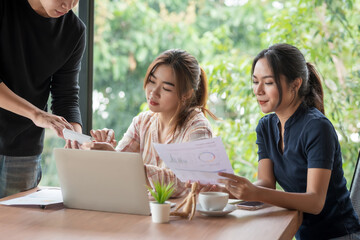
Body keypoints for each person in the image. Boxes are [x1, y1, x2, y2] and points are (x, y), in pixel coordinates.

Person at [218, 43, 360, 239]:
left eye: (268, 83)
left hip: (339, 235)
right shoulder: (266, 127)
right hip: (303, 234)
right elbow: (266, 183)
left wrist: (253, 193)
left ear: (295, 84)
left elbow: (315, 202)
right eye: (255, 81)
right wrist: (225, 190)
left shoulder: (317, 127)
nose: (258, 90)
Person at [84, 49, 217, 197]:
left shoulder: (197, 127)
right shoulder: (142, 122)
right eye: (152, 81)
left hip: (181, 218)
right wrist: (105, 153)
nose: (154, 92)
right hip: (144, 214)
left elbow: (187, 183)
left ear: (187, 94)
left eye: (166, 88)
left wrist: (129, 167)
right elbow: (118, 170)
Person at [0, 0, 86, 198]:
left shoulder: (74, 31)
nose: (68, 5)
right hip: (28, 127)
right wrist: (36, 114)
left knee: (17, 228)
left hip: (23, 150)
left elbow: (66, 95)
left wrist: (76, 138)